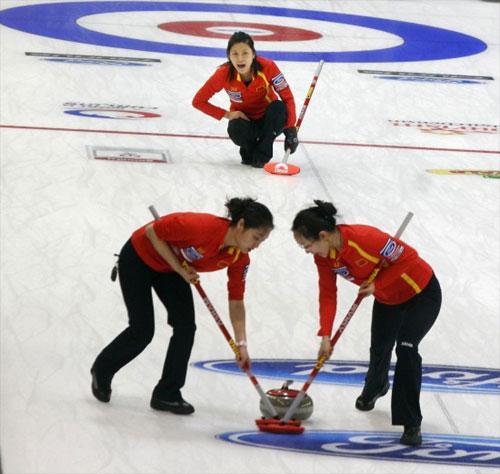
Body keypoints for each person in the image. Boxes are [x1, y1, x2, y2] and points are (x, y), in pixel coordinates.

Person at [91, 197, 274, 415]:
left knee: (186, 327)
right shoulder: (201, 227)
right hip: (139, 258)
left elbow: (236, 301)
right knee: (142, 330)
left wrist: (241, 344)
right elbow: (152, 232)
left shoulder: (239, 258)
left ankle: (167, 393)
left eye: (261, 241)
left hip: (170, 269)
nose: (256, 245)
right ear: (241, 225)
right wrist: (179, 269)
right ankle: (102, 369)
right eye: (256, 238)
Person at [291, 200, 442, 446]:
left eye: (307, 245)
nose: (307, 251)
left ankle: (410, 422)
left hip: (420, 292)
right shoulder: (324, 258)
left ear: (323, 236)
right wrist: (326, 335)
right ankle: (377, 385)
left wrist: (377, 285)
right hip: (387, 298)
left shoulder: (364, 238)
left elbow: (409, 258)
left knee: (405, 348)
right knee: (379, 348)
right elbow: (327, 294)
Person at [192, 31, 298, 168]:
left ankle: (264, 150)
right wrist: (228, 114)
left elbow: (287, 97)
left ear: (253, 54)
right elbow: (198, 101)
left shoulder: (268, 67)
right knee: (235, 127)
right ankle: (249, 147)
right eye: (235, 54)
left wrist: (290, 128)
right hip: (246, 121)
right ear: (229, 56)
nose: (240, 59)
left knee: (278, 107)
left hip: (269, 121)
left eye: (245, 53)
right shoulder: (223, 74)